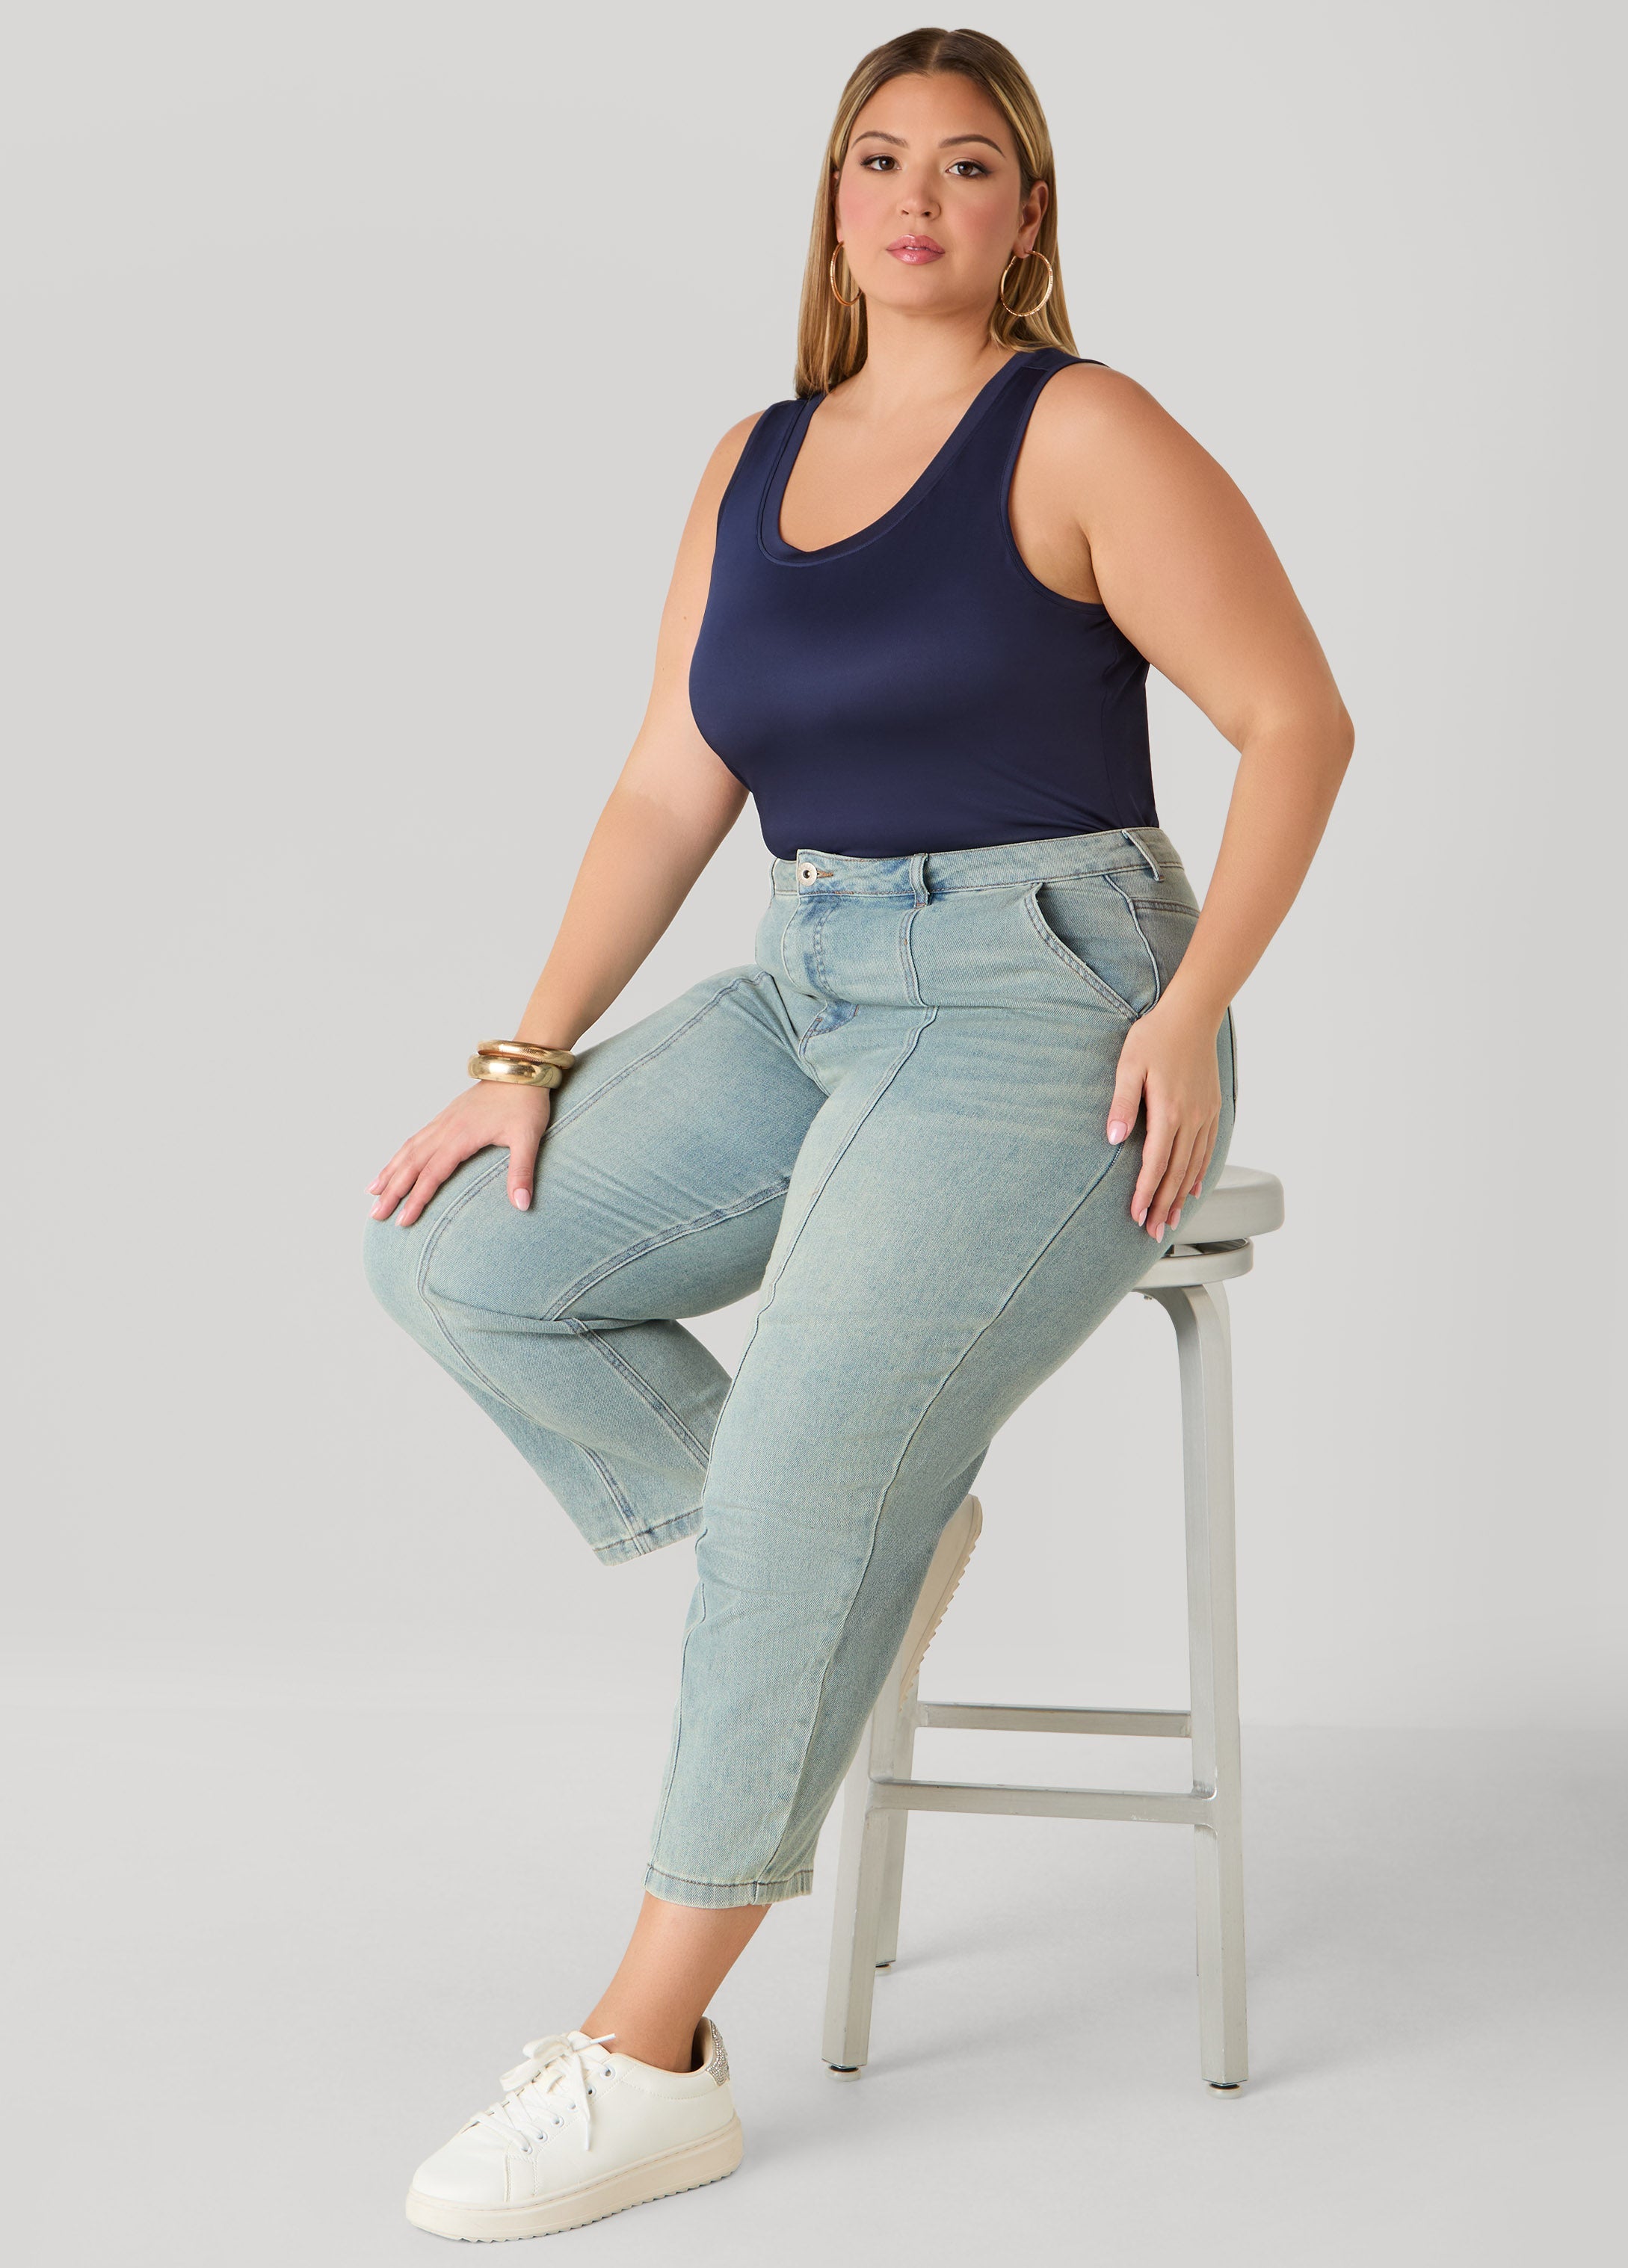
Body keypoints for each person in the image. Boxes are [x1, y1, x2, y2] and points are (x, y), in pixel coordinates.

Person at [363, 23, 1354, 2243]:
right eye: (879, 159)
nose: (917, 197)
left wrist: (1195, 1007)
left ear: (1028, 212)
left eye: (968, 164)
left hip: (1057, 1003)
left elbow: (1296, 720)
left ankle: (650, 2056)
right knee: (450, 1249)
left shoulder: (1080, 427)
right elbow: (669, 782)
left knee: (809, 1463)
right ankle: (870, 1541)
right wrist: (524, 1057)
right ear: (832, 202)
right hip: (812, 976)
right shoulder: (751, 460)